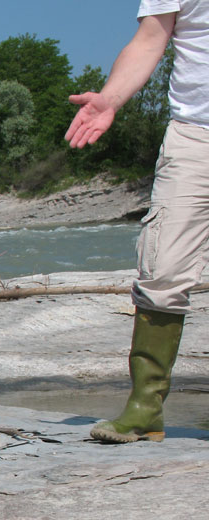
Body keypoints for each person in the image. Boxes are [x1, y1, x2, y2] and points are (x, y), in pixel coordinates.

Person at [65, 0, 209, 443]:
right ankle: (145, 408)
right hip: (195, 136)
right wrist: (110, 99)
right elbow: (150, 39)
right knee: (162, 267)